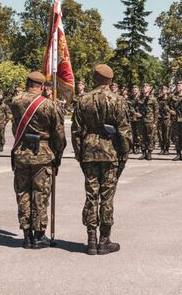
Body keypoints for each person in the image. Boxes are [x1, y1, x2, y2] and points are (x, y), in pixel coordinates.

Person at [71, 64, 132, 255]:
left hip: (89, 152)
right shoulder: (117, 100)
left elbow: (76, 132)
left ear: (94, 79)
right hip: (110, 152)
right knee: (107, 197)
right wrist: (124, 154)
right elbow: (124, 131)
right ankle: (104, 239)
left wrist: (80, 154)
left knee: (91, 196)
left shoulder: (83, 100)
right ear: (110, 81)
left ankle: (91, 239)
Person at [9, 71, 66, 249]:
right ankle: (39, 235)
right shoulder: (49, 105)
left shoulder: (16, 102)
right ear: (42, 87)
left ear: (27, 83)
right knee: (40, 195)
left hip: (21, 153)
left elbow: (14, 128)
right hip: (42, 154)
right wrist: (57, 155)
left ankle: (26, 235)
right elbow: (59, 135)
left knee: (23, 194)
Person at [136, 83, 158, 161]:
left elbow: (156, 111)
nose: (144, 88)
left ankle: (149, 153)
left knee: (150, 137)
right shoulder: (139, 98)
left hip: (150, 121)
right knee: (142, 137)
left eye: (146, 87)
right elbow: (135, 107)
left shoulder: (153, 99)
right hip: (141, 121)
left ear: (149, 89)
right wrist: (136, 113)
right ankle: (143, 152)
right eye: (143, 87)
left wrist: (155, 122)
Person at [157, 86, 171, 155]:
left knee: (167, 134)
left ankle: (167, 148)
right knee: (160, 134)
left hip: (167, 118)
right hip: (160, 118)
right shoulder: (158, 99)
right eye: (162, 89)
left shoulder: (169, 99)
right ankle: (162, 148)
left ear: (167, 91)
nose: (163, 91)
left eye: (164, 89)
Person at [129, 85, 142, 154]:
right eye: (133, 90)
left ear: (138, 91)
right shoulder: (130, 98)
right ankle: (131, 147)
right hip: (131, 117)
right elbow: (128, 106)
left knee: (138, 133)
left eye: (135, 90)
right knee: (131, 133)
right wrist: (134, 113)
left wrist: (140, 113)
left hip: (139, 118)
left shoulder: (141, 98)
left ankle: (138, 146)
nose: (134, 91)